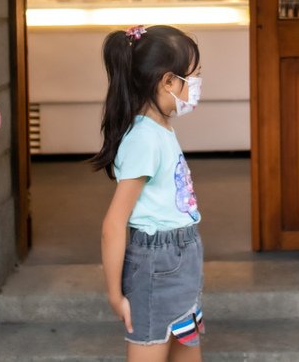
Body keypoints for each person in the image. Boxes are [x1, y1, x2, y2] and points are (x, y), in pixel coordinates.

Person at [91, 24, 205, 362]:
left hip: (181, 256)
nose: (195, 87)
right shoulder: (144, 138)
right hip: (158, 262)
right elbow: (114, 223)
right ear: (168, 82)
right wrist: (115, 294)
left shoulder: (160, 129)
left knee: (186, 348)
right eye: (192, 77)